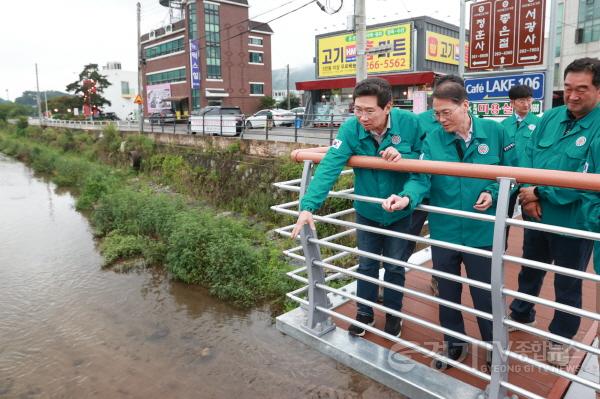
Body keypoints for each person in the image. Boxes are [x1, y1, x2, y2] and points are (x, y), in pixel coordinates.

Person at [382, 77, 515, 370]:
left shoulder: (496, 132)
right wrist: (407, 198)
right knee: (448, 294)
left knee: (486, 294)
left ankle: (495, 348)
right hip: (444, 232)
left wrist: (492, 194)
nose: (440, 119)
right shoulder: (433, 140)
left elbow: (511, 175)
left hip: (481, 232)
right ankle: (454, 345)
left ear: (465, 106)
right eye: (436, 114)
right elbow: (421, 178)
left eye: (447, 113)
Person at [291, 77, 423, 338]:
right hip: (368, 210)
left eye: (369, 111)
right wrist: (308, 207)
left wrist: (404, 162)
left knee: (395, 266)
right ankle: (365, 314)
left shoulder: (409, 124)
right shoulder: (351, 128)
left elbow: (423, 164)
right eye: (357, 109)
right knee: (366, 265)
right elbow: (330, 166)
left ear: (388, 107)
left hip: (401, 210)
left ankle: (394, 316)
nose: (362, 117)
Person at [510, 57, 600, 367]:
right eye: (569, 88)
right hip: (536, 214)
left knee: (568, 283)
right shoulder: (550, 117)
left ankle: (561, 339)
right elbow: (527, 155)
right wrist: (529, 195)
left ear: (598, 90)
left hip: (573, 224)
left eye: (582, 89)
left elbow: (588, 180)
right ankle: (521, 314)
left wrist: (539, 191)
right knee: (529, 268)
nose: (573, 96)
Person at [413, 75, 467, 298]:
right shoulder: (420, 121)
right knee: (408, 234)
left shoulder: (474, 121)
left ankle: (439, 277)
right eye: (438, 111)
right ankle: (387, 278)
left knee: (451, 238)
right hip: (421, 186)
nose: (442, 118)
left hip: (451, 192)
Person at [500, 84, 541, 241]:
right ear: (512, 103)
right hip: (508, 178)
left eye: (529, 100)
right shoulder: (503, 125)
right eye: (522, 100)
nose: (527, 104)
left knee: (531, 220)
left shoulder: (539, 123)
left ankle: (530, 257)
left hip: (528, 179)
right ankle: (500, 251)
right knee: (503, 217)